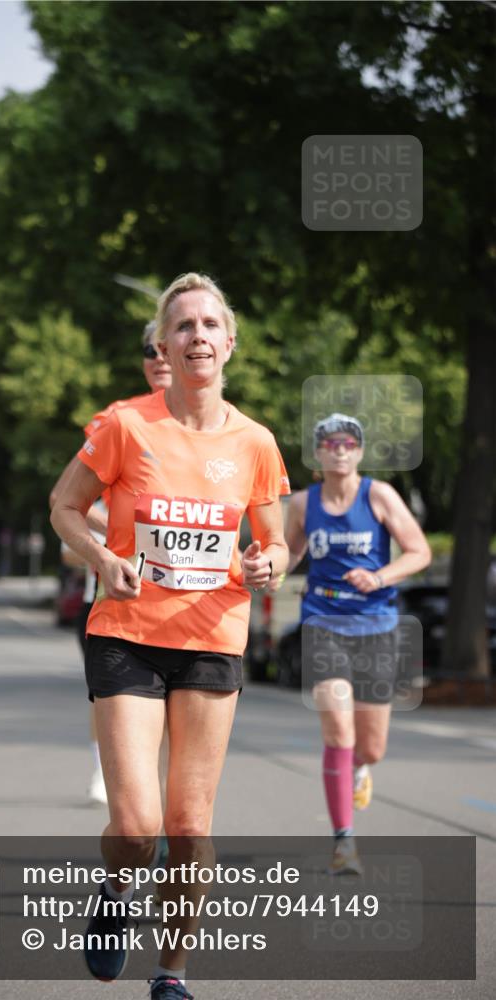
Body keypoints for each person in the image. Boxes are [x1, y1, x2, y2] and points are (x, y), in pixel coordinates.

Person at [51, 272, 290, 999]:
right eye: (182, 326)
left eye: (209, 325)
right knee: (136, 827)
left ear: (230, 343)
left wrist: (268, 563)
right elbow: (64, 505)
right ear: (163, 344)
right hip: (127, 633)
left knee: (188, 826)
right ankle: (116, 893)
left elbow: (275, 541)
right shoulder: (127, 426)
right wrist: (103, 558)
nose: (197, 337)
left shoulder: (255, 442)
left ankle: (171, 975)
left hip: (213, 638)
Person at [284, 414, 431, 874]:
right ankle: (344, 843)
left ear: (360, 451)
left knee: (370, 748)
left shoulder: (379, 495)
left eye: (348, 442)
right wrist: (266, 569)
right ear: (318, 454)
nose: (340, 449)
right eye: (330, 443)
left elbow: (420, 551)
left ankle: (361, 768)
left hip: (376, 628)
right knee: (338, 731)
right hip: (322, 624)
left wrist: (379, 577)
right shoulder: (303, 503)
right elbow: (289, 553)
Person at [50, 320, 173, 806]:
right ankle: (105, 767)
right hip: (118, 593)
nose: (159, 358)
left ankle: (161, 806)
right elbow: (63, 498)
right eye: (150, 349)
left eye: (166, 346)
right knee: (112, 696)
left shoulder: (218, 423)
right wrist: (113, 535)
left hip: (188, 600)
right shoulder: (118, 418)